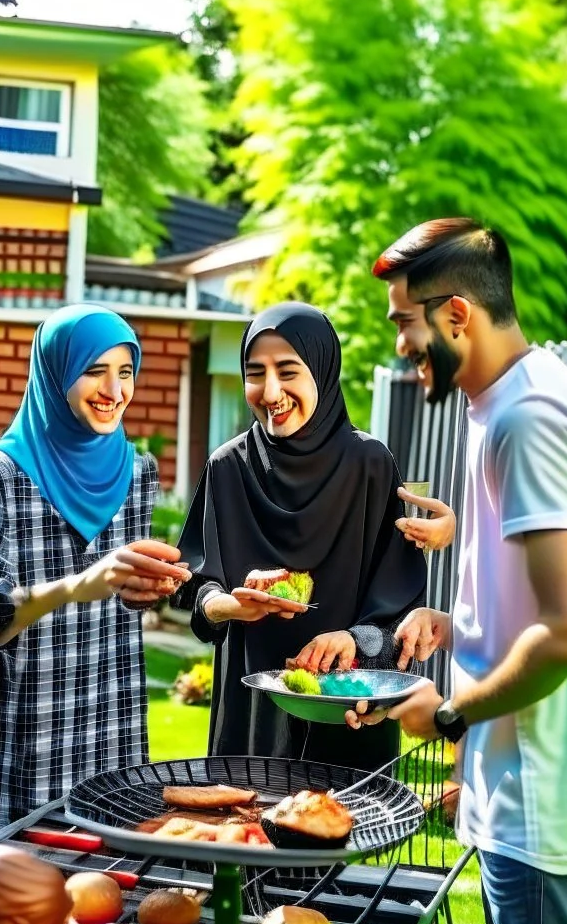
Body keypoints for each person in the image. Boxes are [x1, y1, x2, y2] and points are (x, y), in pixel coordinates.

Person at [349, 218, 567, 924]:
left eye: (404, 323)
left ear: (456, 316)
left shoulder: (525, 420)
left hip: (542, 789)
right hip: (543, 779)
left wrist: (444, 712)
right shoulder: (528, 396)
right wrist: (461, 615)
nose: (401, 346)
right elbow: (543, 586)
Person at [0, 303, 190, 844]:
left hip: (109, 711)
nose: (114, 389)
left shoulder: (137, 472)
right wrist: (76, 586)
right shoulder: (2, 473)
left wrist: (148, 589)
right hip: (27, 724)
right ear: (55, 375)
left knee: (110, 896)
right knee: (17, 904)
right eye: (94, 371)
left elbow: (124, 596)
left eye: (125, 372)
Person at [174, 303, 428, 771]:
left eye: (288, 371)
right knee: (242, 831)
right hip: (250, 715)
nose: (270, 391)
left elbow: (402, 600)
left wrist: (354, 640)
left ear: (323, 371)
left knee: (339, 831)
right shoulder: (228, 468)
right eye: (255, 373)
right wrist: (230, 604)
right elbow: (195, 584)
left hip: (347, 708)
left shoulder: (370, 465)